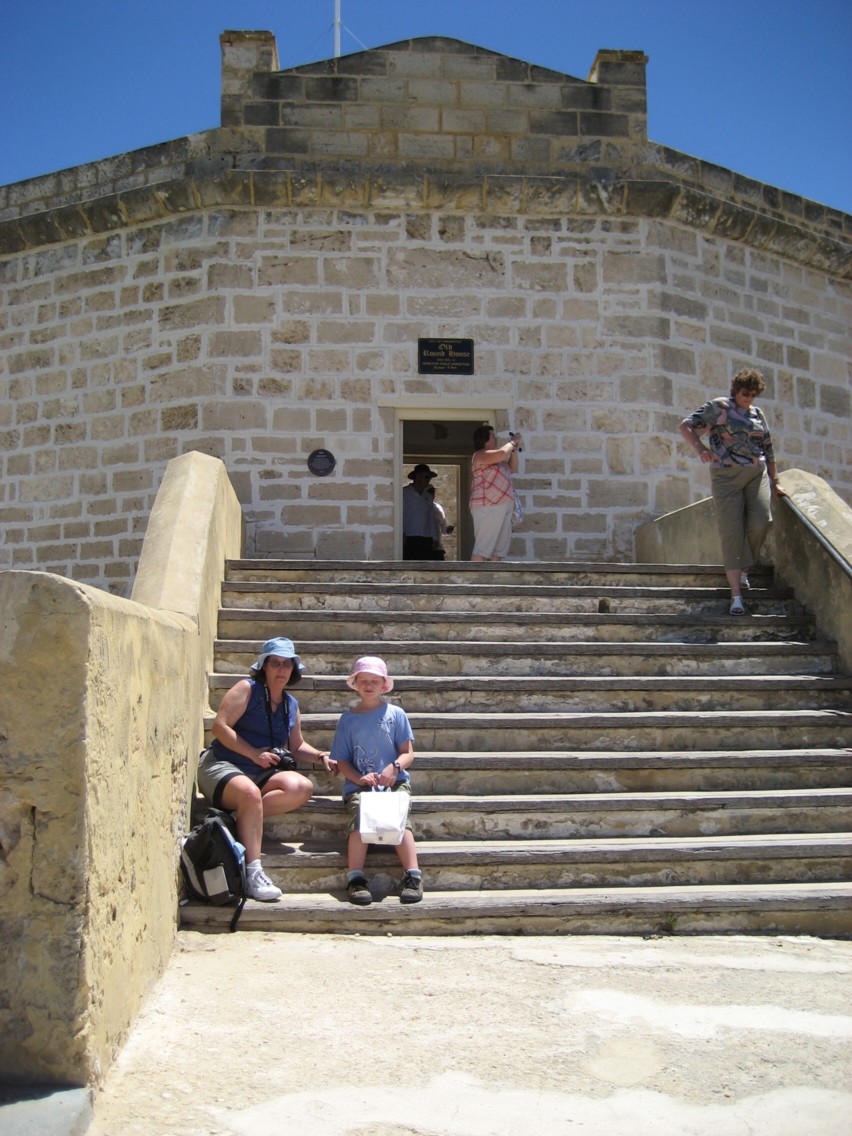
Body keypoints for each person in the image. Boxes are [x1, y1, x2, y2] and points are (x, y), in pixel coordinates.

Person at [197, 637, 336, 902]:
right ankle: (253, 872)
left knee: (301, 787)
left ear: (294, 670)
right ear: (264, 666)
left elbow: (296, 746)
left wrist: (320, 756)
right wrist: (253, 753)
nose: (281, 670)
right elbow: (220, 727)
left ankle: (241, 819)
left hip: (259, 772)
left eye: (287, 664)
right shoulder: (247, 688)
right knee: (249, 792)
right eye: (276, 663)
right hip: (222, 765)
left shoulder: (290, 704)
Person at [678, 367, 788, 615]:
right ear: (736, 390)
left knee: (761, 521)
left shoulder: (758, 414)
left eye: (753, 394)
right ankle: (736, 595)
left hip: (755, 474)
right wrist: (701, 449)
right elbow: (686, 426)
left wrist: (776, 480)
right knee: (731, 531)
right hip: (726, 477)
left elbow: (768, 448)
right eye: (745, 393)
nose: (748, 398)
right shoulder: (719, 408)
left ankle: (745, 568)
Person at [329, 656, 423, 906]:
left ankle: (413, 874)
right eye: (363, 680)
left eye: (374, 680)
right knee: (362, 815)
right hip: (360, 785)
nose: (368, 685)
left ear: (384, 685)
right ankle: (356, 878)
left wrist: (394, 768)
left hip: (393, 781)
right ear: (355, 684)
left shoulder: (396, 714)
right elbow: (342, 761)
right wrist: (359, 778)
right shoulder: (348, 720)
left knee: (400, 817)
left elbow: (408, 753)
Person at [469, 424, 522, 562]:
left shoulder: (499, 462)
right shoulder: (479, 455)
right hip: (487, 505)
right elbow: (502, 453)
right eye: (492, 435)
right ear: (484, 439)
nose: (496, 437)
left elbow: (513, 468)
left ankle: (492, 579)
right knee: (483, 547)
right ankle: (475, 580)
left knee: (498, 550)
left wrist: (514, 449)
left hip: (503, 506)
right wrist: (512, 442)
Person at [402, 463, 440, 559]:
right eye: (426, 477)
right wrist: (401, 533)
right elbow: (400, 515)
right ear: (417, 476)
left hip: (426, 538)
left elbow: (431, 517)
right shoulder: (404, 493)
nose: (428, 480)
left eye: (429, 478)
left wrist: (435, 538)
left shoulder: (428, 496)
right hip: (410, 536)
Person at [425, 484, 454, 560]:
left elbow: (444, 530)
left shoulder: (438, 508)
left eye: (433, 492)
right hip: (424, 547)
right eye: (429, 492)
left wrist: (448, 530)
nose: (432, 494)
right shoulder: (417, 507)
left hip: (438, 549)